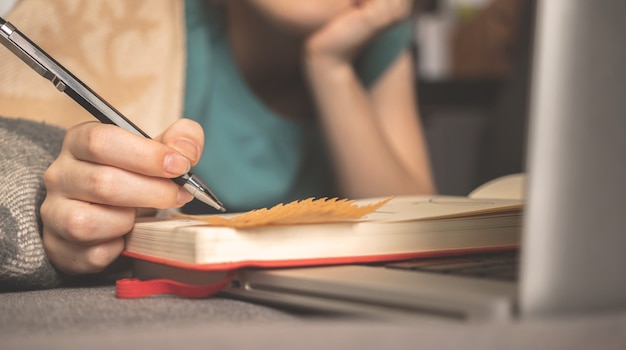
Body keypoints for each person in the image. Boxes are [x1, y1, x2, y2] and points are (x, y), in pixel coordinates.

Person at [10, 0, 435, 276]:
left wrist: (331, 66)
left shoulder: (374, 39)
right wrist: (73, 224)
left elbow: (418, 229)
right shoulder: (128, 24)